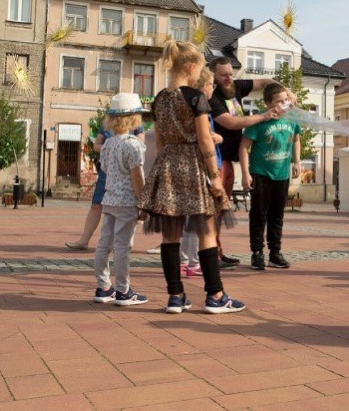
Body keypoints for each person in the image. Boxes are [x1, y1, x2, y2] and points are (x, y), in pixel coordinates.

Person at [139, 41, 245, 314]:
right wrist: (215, 177)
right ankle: (215, 295)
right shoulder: (196, 98)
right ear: (189, 67)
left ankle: (176, 296)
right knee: (206, 231)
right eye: (198, 70)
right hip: (194, 166)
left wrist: (165, 166)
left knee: (170, 235)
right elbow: (205, 142)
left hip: (168, 166)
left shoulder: (160, 98)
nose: (199, 76)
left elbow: (159, 142)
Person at [208, 56, 283, 268]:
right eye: (224, 75)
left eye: (231, 74)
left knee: (221, 208)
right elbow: (231, 123)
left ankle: (217, 251)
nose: (229, 78)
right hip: (217, 159)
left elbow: (267, 83)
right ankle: (211, 253)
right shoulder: (212, 97)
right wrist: (264, 116)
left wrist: (288, 93)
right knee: (215, 208)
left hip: (228, 160)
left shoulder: (236, 87)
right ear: (214, 75)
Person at [92, 93, 149, 306]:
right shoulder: (133, 144)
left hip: (109, 199)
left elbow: (105, 168)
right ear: (133, 118)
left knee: (104, 243)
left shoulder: (107, 144)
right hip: (126, 202)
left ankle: (103, 286)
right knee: (123, 246)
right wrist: (142, 201)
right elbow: (137, 176)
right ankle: (123, 290)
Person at [239, 82, 302, 271]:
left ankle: (275, 253)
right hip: (261, 173)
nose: (284, 104)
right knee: (259, 215)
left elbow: (296, 139)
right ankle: (257, 253)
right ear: (268, 103)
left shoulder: (292, 119)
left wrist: (297, 161)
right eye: (279, 101)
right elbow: (243, 147)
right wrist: (245, 173)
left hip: (281, 174)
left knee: (277, 215)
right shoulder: (259, 121)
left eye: (286, 100)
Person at [66, 119, 144, 251]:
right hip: (106, 171)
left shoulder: (136, 123)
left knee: (126, 207)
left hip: (126, 172)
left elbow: (141, 145)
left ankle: (122, 243)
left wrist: (117, 147)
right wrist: (111, 148)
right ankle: (84, 240)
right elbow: (97, 145)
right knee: (96, 205)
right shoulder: (106, 123)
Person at [179, 68, 222, 276]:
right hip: (201, 168)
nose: (213, 88)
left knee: (189, 219)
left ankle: (185, 260)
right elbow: (204, 138)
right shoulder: (200, 105)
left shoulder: (181, 102)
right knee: (201, 219)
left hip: (186, 167)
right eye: (211, 84)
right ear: (204, 86)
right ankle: (193, 262)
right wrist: (214, 176)